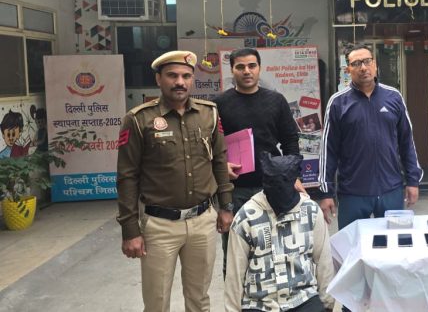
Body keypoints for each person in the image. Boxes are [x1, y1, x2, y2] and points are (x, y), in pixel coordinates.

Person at [116, 50, 234, 312]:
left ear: (192, 79)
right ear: (159, 79)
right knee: (157, 302)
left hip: (203, 221)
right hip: (160, 226)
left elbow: (219, 160)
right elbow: (127, 176)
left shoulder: (209, 113)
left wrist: (226, 206)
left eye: (186, 76)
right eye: (172, 75)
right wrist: (130, 230)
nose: (180, 82)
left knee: (199, 299)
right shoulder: (138, 119)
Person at [213, 47, 303, 275]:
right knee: (235, 252)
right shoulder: (219, 104)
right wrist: (221, 167)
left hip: (271, 187)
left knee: (275, 246)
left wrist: (293, 176)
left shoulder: (276, 101)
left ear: (259, 68)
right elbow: (209, 145)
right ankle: (236, 296)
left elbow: (290, 140)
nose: (247, 71)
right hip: (234, 190)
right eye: (240, 67)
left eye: (252, 66)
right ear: (232, 70)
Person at [318, 43, 423, 229]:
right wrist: (326, 192)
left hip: (391, 189)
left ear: (375, 65)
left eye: (367, 61)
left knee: (393, 242)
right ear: (348, 69)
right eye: (356, 63)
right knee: (351, 244)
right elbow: (328, 150)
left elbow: (407, 142)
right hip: (353, 193)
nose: (363, 68)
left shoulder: (394, 97)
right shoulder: (337, 103)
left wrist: (413, 181)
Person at [225, 152, 334, 312]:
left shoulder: (311, 211)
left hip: (302, 298)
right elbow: (235, 274)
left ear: (294, 183)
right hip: (259, 303)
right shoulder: (245, 217)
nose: (279, 192)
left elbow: (324, 262)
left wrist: (327, 304)